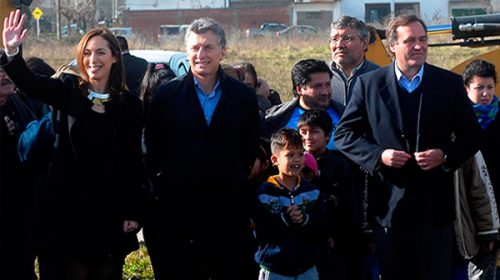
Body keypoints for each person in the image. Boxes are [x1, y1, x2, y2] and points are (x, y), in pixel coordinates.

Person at [334, 14, 481, 280]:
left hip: (435, 211)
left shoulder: (448, 84)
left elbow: (472, 136)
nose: (419, 46)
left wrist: (445, 154)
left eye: (423, 40)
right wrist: (379, 156)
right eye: (410, 40)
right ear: (392, 45)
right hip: (389, 210)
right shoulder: (369, 85)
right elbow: (344, 135)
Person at [2, 10, 144, 280]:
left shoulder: (129, 107)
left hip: (109, 216)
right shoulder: (68, 92)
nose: (93, 59)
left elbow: (132, 163)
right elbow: (30, 83)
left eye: (101, 52)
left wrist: (132, 211)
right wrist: (11, 52)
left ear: (115, 57)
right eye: (87, 53)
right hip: (66, 216)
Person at [144, 17, 260, 280]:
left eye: (208, 47)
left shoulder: (242, 97)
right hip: (179, 213)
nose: (201, 54)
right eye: (195, 48)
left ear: (223, 51)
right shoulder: (167, 96)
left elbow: (248, 147)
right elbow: (154, 151)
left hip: (227, 211)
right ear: (187, 51)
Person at [253, 128, 325, 280]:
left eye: (300, 154)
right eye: (290, 155)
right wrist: (284, 218)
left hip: (307, 267)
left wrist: (305, 219)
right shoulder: (264, 193)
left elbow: (323, 225)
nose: (297, 160)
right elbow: (261, 230)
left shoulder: (312, 191)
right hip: (275, 269)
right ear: (275, 160)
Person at [297, 109, 361, 280]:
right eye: (303, 132)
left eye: (315, 131)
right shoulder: (294, 165)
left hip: (336, 244)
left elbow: (349, 206)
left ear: (328, 135)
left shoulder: (340, 165)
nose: (308, 137)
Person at [0, 58, 39, 280]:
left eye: (7, 70)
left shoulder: (20, 105)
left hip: (21, 209)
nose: (5, 75)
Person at [462, 59, 500, 279]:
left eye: (490, 87)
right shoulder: (459, 121)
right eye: (479, 88)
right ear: (467, 88)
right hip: (469, 208)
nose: (485, 93)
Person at [265, 59, 344, 150]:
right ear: (300, 89)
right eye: (317, 86)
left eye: (328, 84)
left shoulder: (344, 115)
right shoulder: (276, 119)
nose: (325, 92)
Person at [329, 15, 379, 106]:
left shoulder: (379, 76)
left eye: (347, 38)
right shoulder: (320, 76)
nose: (339, 45)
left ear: (364, 43)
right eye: (334, 39)